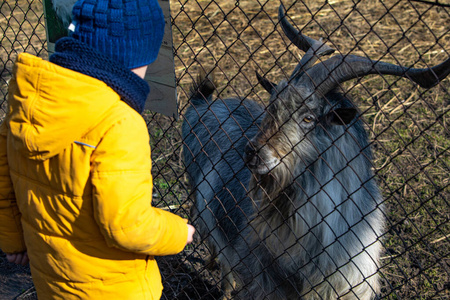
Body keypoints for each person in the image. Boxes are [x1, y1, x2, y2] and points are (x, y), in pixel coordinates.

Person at [0, 0, 195, 299]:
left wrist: (13, 241)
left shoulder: (27, 101)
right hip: (114, 288)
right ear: (132, 57)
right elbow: (126, 225)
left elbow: (3, 183)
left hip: (52, 279)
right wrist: (179, 232)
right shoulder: (119, 122)